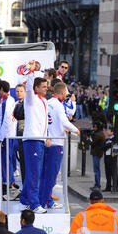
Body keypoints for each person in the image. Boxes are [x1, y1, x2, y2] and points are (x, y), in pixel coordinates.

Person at [39, 82, 80, 210]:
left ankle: (46, 199)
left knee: (45, 174)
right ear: (62, 92)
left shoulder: (47, 102)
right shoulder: (58, 105)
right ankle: (45, 201)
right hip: (56, 143)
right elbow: (64, 121)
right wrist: (76, 130)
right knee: (52, 175)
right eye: (66, 93)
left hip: (47, 140)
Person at [20, 62, 50, 214]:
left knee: (35, 172)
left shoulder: (44, 101)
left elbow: (44, 122)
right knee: (34, 173)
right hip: (32, 139)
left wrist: (47, 137)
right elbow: (28, 86)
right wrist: (32, 72)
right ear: (36, 88)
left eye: (46, 86)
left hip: (40, 140)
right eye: (43, 87)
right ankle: (34, 204)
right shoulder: (30, 98)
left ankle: (25, 199)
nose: (46, 89)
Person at [13, 84, 26, 183]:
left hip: (26, 137)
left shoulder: (28, 104)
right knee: (21, 162)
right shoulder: (15, 104)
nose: (19, 93)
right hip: (16, 135)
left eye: (21, 91)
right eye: (17, 91)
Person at [89, 121, 106, 191]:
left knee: (96, 170)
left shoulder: (99, 135)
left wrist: (89, 138)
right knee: (96, 169)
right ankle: (96, 184)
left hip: (97, 153)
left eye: (95, 126)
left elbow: (92, 143)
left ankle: (97, 185)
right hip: (97, 153)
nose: (94, 128)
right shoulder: (99, 133)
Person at [103, 127, 118, 192]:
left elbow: (117, 148)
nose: (107, 131)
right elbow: (103, 147)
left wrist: (109, 145)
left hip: (112, 158)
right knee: (108, 173)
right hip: (106, 157)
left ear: (112, 132)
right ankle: (108, 186)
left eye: (108, 130)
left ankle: (115, 187)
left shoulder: (115, 139)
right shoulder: (107, 140)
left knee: (114, 173)